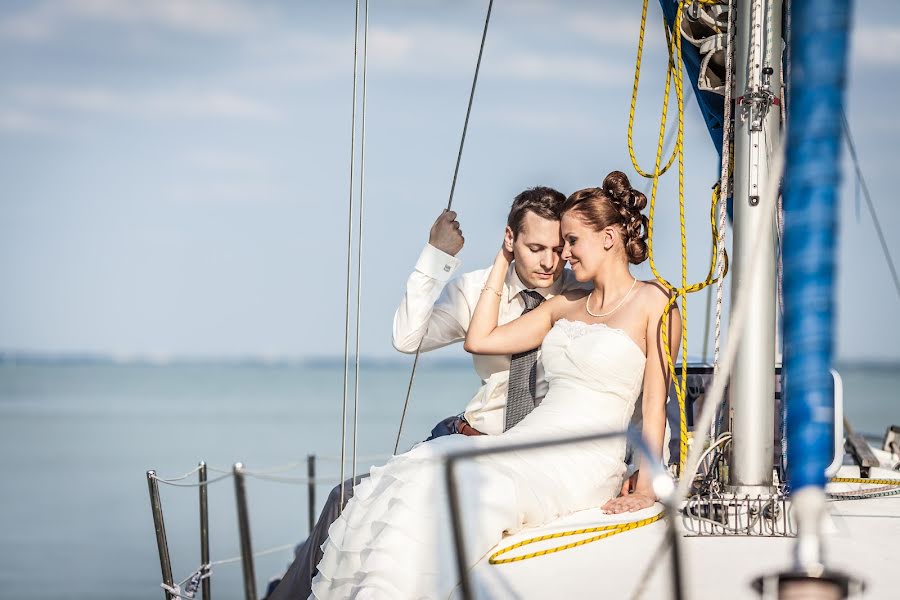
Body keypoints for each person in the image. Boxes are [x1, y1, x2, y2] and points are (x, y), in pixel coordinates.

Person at [309, 171, 682, 599]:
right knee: (420, 471)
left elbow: (655, 405)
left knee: (470, 489)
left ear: (610, 238)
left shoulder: (656, 303)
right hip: (516, 437)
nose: (560, 258)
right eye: (544, 247)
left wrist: (648, 481)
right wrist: (498, 261)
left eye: (569, 243)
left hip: (583, 457)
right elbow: (477, 340)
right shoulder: (565, 304)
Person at [267, 186, 586, 600]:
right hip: (467, 436)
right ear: (510, 239)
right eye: (535, 247)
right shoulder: (476, 290)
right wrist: (436, 256)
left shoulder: (580, 297)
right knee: (345, 498)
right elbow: (407, 338)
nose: (548, 261)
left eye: (558, 248)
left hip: (530, 457)